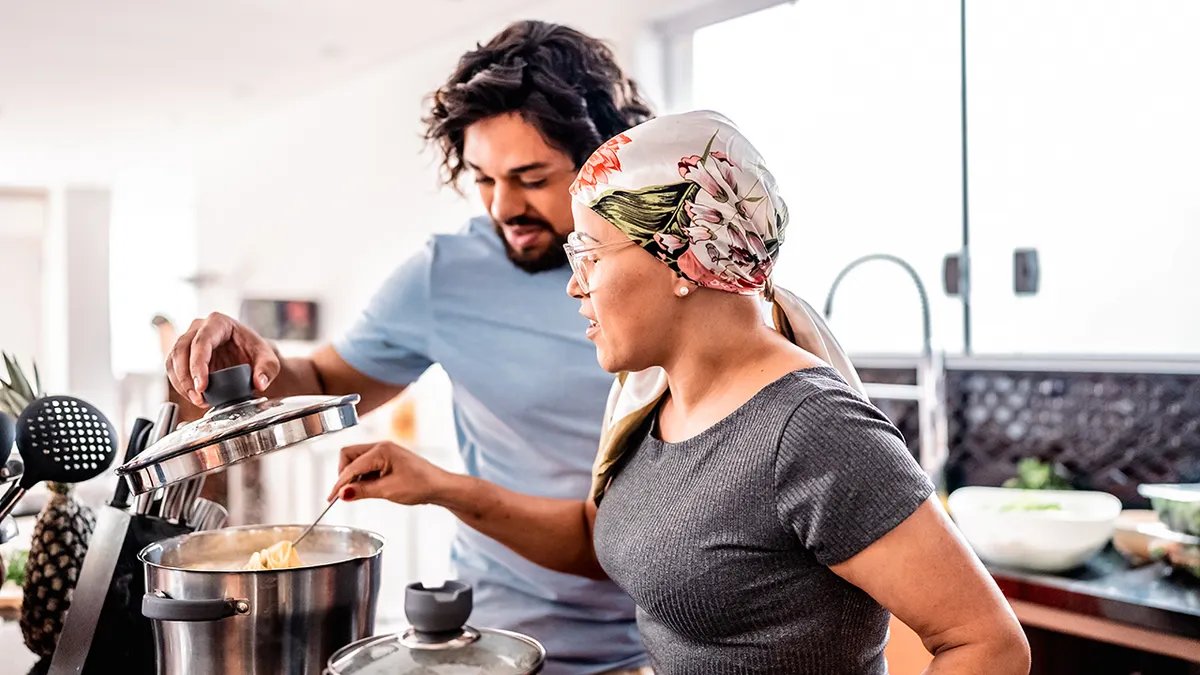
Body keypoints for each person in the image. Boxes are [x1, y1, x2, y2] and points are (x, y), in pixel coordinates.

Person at [328, 111, 1032, 674]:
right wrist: (437, 484)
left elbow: (987, 642)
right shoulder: (651, 397)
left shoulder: (811, 429)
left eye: (591, 253)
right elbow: (605, 539)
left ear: (680, 259)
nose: (575, 284)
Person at [166, 20, 653, 675]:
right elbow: (327, 378)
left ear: (602, 158)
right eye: (482, 178)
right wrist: (256, 362)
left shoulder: (661, 272)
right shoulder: (444, 275)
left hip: (659, 638)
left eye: (531, 177)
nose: (503, 207)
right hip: (499, 643)